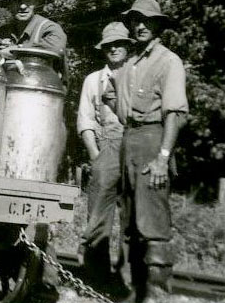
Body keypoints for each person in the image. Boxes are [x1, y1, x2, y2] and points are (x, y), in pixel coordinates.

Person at [114, 0, 188, 303]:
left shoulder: (168, 61)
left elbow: (175, 113)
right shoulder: (130, 62)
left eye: (147, 21)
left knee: (153, 222)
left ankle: (157, 294)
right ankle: (138, 290)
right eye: (136, 20)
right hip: (129, 140)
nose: (141, 26)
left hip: (153, 140)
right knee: (130, 221)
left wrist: (163, 157)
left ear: (157, 26)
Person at [77, 22, 134, 298]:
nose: (114, 48)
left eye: (119, 43)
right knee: (98, 216)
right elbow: (85, 120)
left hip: (134, 149)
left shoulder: (138, 75)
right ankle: (94, 280)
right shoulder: (93, 80)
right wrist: (95, 155)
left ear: (128, 47)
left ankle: (125, 283)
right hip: (105, 149)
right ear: (103, 49)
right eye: (109, 45)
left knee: (131, 217)